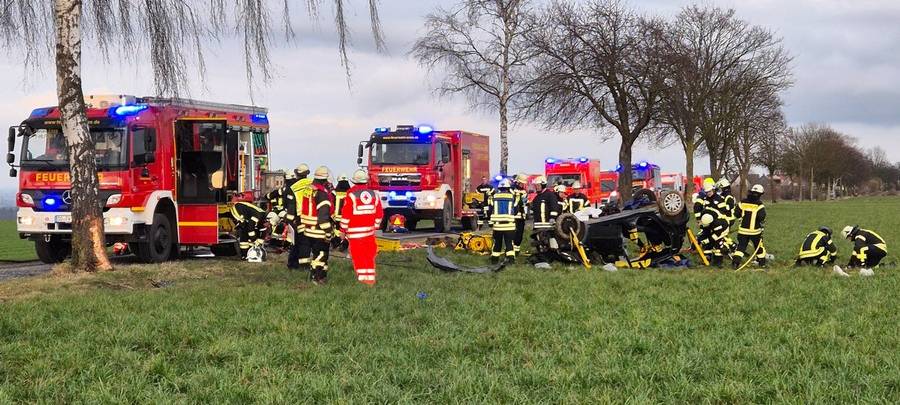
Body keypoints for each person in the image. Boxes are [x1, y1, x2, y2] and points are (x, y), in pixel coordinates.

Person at [340, 169, 384, 285]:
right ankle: (370, 278)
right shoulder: (374, 195)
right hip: (369, 233)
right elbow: (379, 214)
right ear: (366, 181)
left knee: (358, 256)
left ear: (354, 182)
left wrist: (343, 230)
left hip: (355, 233)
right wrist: (374, 227)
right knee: (369, 255)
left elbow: (346, 215)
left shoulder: (351, 195)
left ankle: (363, 280)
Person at [298, 166, 334, 283]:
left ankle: (322, 277)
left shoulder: (309, 189)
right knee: (321, 255)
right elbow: (323, 218)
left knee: (317, 254)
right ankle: (317, 278)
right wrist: (329, 232)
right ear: (325, 179)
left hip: (308, 230)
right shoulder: (322, 193)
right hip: (319, 231)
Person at [732, 184, 767, 268]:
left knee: (741, 247)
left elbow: (736, 213)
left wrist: (741, 219)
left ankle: (735, 263)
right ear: (760, 194)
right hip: (755, 231)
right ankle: (762, 263)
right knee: (758, 246)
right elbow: (762, 217)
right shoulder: (760, 205)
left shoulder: (742, 202)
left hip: (743, 231)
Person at [488, 179, 518, 263]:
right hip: (509, 226)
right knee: (509, 244)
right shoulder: (512, 197)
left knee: (497, 244)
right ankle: (511, 261)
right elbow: (516, 210)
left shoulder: (494, 197)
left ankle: (494, 261)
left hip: (497, 227)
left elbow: (490, 210)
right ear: (508, 188)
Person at [288, 164, 312, 270]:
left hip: (300, 219)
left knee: (299, 242)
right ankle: (307, 265)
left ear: (297, 174)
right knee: (309, 243)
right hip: (313, 218)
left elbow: (291, 206)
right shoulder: (313, 184)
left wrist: (289, 221)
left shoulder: (293, 188)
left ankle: (297, 265)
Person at [332, 175, 351, 248]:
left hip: (336, 217)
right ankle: (344, 242)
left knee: (337, 230)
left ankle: (337, 241)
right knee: (346, 231)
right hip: (347, 218)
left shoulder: (334, 193)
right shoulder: (350, 193)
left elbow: (332, 204)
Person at [512, 173, 529, 254]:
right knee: (512, 233)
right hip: (513, 216)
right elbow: (513, 203)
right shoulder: (512, 189)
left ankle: (517, 251)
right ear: (517, 182)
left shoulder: (524, 191)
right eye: (521, 183)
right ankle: (510, 250)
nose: (523, 185)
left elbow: (525, 202)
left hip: (522, 216)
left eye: (523, 183)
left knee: (520, 234)